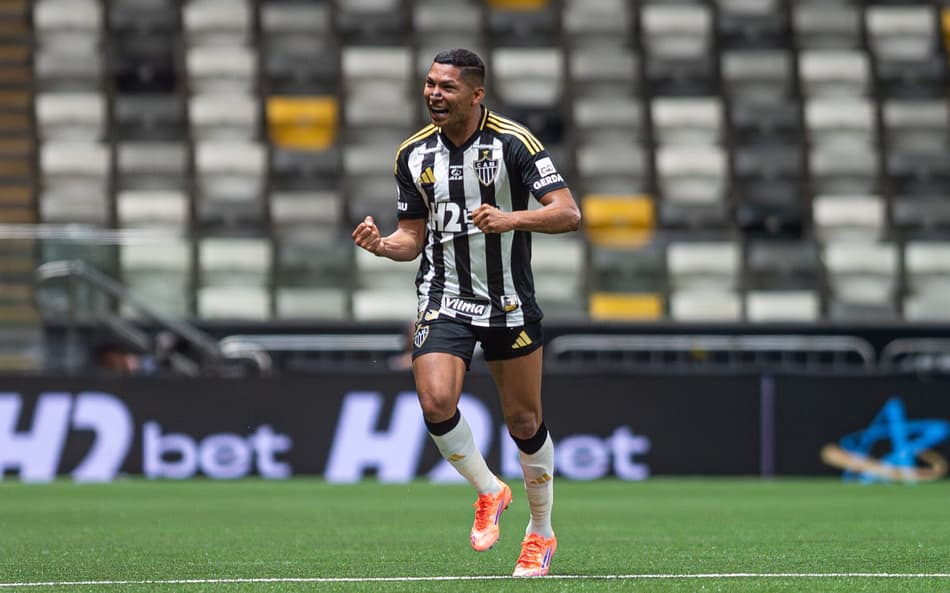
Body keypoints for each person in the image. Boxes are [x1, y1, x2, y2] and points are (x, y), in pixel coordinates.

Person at [352, 48, 581, 577]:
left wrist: (510, 218)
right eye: (430, 84)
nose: (434, 93)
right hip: (444, 295)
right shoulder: (412, 154)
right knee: (435, 401)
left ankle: (540, 534)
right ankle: (489, 491)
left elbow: (568, 214)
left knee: (523, 420)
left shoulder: (514, 144)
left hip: (508, 301)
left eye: (447, 87)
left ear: (476, 95)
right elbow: (411, 238)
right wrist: (383, 247)